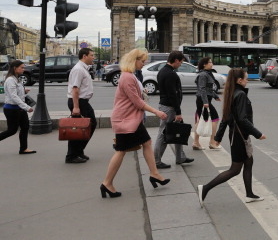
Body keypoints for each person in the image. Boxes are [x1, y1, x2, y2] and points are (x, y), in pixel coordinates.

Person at [100, 49, 170, 198]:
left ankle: (154, 173)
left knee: (147, 143)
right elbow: (137, 102)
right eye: (142, 61)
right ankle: (107, 183)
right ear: (134, 60)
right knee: (121, 150)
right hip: (125, 120)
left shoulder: (130, 76)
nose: (143, 64)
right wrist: (157, 112)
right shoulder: (127, 77)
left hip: (131, 119)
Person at [197, 68, 266, 207]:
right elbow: (242, 119)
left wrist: (218, 137)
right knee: (234, 170)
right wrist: (257, 134)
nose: (247, 81)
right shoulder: (240, 94)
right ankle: (205, 188)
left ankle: (250, 194)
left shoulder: (232, 93)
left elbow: (226, 118)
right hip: (240, 136)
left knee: (248, 162)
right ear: (239, 80)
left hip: (237, 135)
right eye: (246, 78)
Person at [153, 51, 194, 169]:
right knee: (164, 133)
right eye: (181, 62)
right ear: (176, 60)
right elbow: (173, 94)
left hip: (166, 105)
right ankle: (156, 161)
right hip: (169, 107)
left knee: (178, 130)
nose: (181, 64)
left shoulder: (162, 71)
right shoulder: (171, 74)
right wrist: (178, 112)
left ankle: (180, 157)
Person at [66, 48, 96, 164]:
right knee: (78, 129)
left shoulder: (83, 69)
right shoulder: (78, 69)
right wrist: (76, 107)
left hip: (83, 102)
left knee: (89, 125)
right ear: (84, 56)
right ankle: (71, 155)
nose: (93, 57)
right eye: (91, 55)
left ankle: (78, 151)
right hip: (78, 102)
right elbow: (75, 89)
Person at [0, 60, 36, 154]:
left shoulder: (17, 78)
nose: (23, 69)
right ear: (15, 68)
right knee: (12, 130)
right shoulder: (10, 80)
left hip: (19, 108)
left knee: (25, 127)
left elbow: (16, 93)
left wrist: (24, 91)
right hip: (12, 109)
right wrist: (27, 107)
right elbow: (13, 96)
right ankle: (23, 148)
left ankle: (23, 148)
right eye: (22, 67)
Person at [193, 57, 222, 150]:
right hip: (203, 101)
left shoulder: (207, 74)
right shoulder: (203, 75)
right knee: (214, 118)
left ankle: (197, 142)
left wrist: (215, 96)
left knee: (200, 119)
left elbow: (209, 89)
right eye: (210, 62)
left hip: (205, 100)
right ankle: (211, 142)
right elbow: (202, 89)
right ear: (204, 64)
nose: (212, 63)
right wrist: (205, 102)